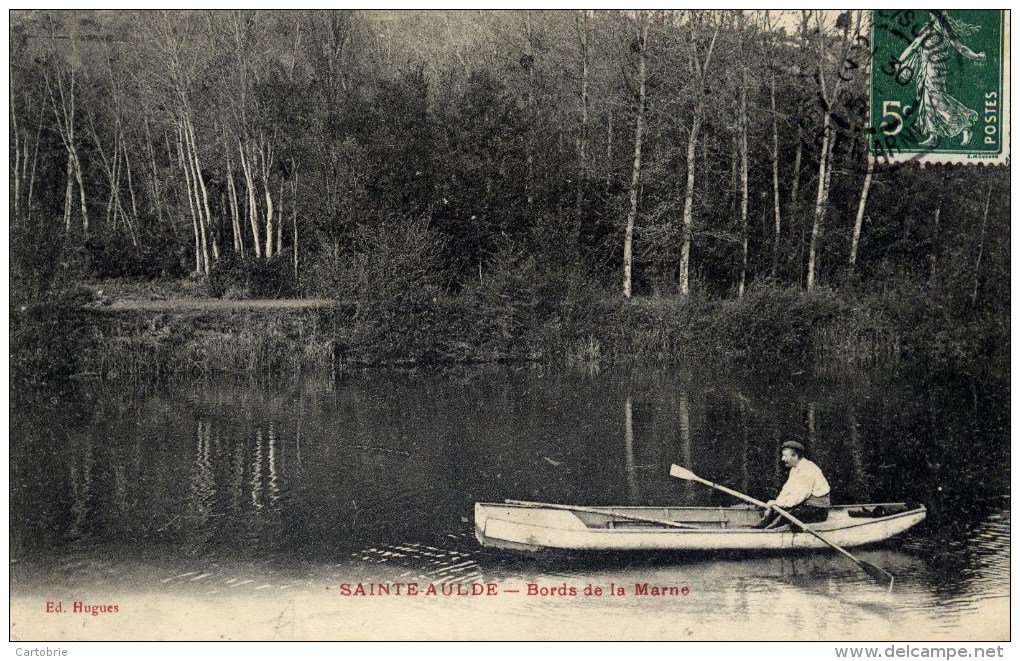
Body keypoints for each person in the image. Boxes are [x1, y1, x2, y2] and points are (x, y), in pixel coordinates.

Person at [897, 11, 986, 147]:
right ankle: (934, 135)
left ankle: (965, 122)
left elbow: (914, 46)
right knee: (931, 99)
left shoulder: (928, 28)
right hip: (939, 68)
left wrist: (899, 60)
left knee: (934, 100)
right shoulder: (946, 30)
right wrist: (976, 56)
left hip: (932, 68)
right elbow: (961, 48)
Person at [754, 441, 830, 529]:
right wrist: (775, 505)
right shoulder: (795, 469)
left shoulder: (807, 469)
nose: (782, 459)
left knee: (785, 517)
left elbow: (799, 496)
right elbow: (787, 491)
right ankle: (761, 529)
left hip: (817, 511)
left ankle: (768, 532)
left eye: (785, 456)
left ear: (795, 456)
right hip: (803, 506)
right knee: (772, 512)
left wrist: (779, 504)